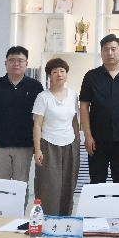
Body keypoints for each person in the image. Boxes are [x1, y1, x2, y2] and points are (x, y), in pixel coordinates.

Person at [80, 34, 119, 184]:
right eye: (106, 49)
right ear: (101, 53)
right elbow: (84, 107)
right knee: (96, 180)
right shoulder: (91, 76)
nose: (110, 53)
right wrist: (87, 136)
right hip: (97, 139)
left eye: (114, 49)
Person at [0, 46, 43, 188]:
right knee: (0, 187)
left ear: (26, 63)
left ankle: (19, 206)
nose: (16, 64)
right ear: (6, 63)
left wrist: (37, 145)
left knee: (21, 186)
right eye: (12, 60)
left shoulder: (35, 86)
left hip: (25, 145)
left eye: (20, 60)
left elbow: (40, 119)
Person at [32, 58, 80, 216]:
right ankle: (47, 220)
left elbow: (74, 120)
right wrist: (37, 150)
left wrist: (77, 141)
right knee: (50, 186)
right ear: (49, 76)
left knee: (68, 184)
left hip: (70, 144)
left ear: (66, 74)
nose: (59, 74)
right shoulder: (43, 97)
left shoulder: (73, 95)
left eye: (62, 71)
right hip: (48, 145)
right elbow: (37, 125)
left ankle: (65, 220)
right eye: (54, 72)